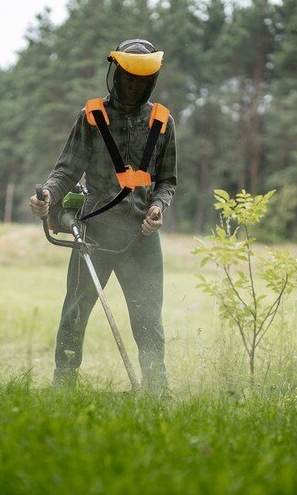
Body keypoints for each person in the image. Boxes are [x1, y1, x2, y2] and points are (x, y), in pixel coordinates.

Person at [29, 39, 177, 393]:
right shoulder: (92, 117)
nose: (134, 85)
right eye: (129, 77)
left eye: (143, 80)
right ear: (115, 72)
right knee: (74, 314)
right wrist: (48, 194)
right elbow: (65, 171)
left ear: (152, 80)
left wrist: (157, 207)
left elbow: (167, 181)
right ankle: (63, 387)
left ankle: (157, 390)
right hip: (93, 234)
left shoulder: (162, 122)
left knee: (148, 321)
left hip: (141, 237)